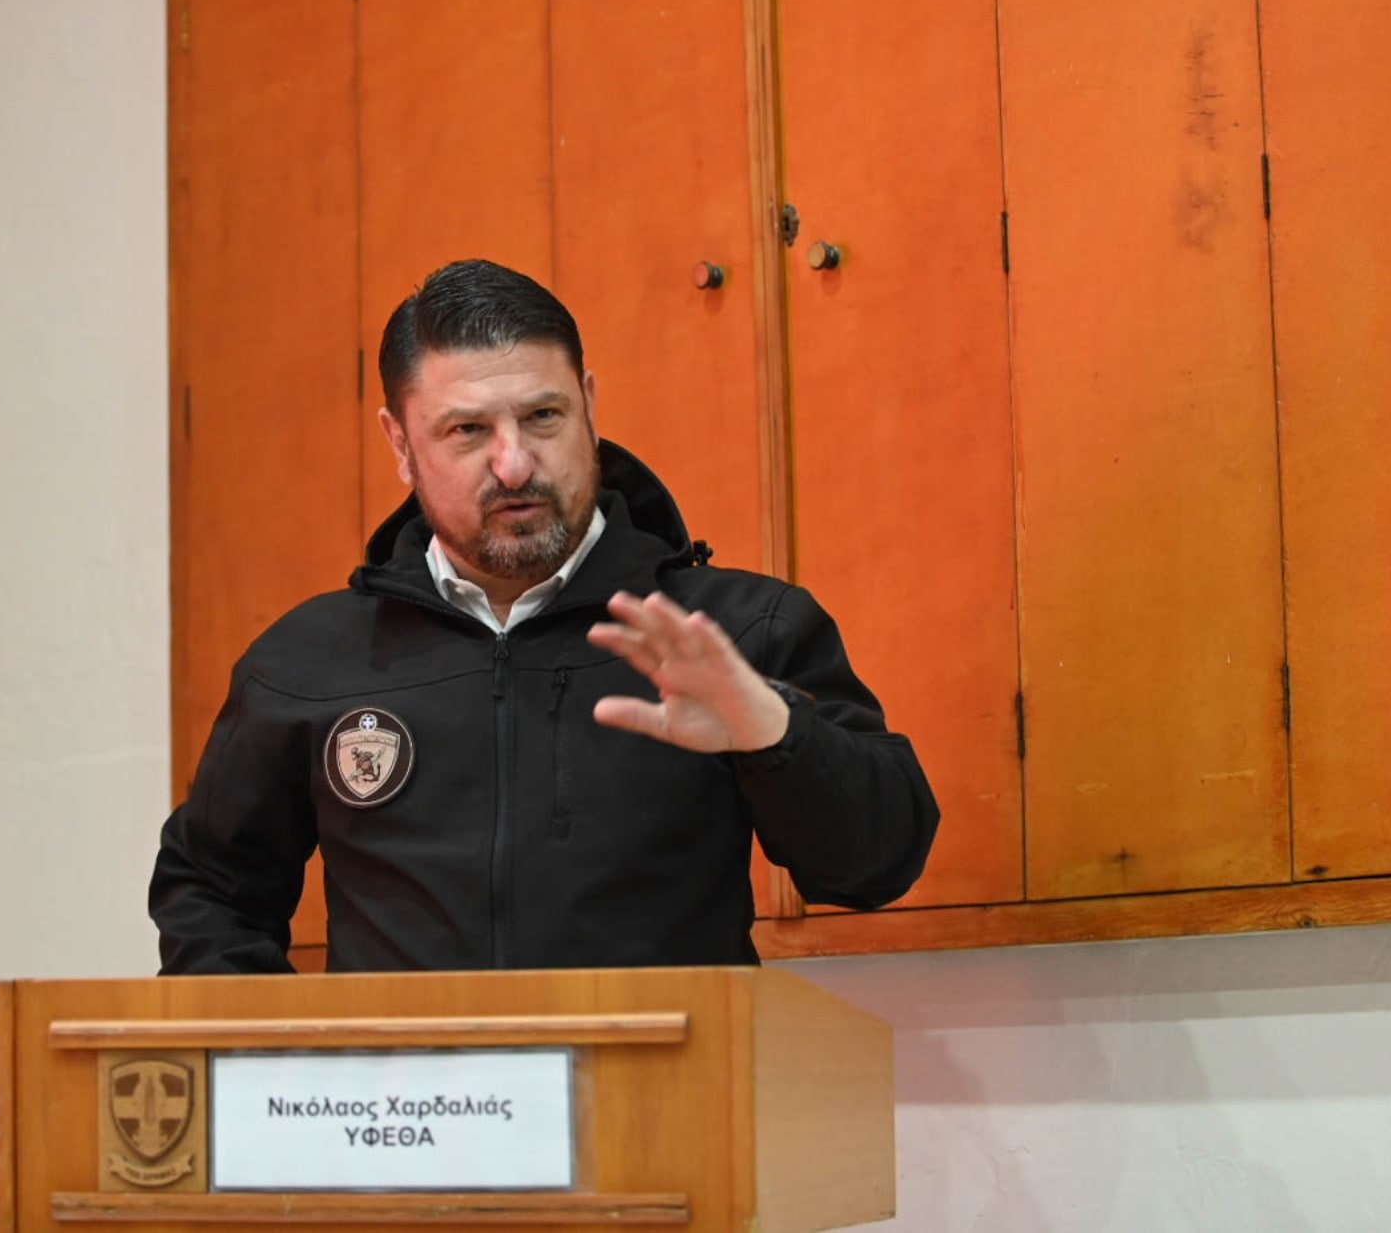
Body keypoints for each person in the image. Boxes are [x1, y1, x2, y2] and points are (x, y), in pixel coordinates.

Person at [150, 259, 938, 973]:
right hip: (408, 1091)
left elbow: (877, 866)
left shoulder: (732, 630)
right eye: (467, 430)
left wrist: (774, 732)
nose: (515, 463)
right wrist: (282, 1060)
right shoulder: (307, 662)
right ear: (400, 443)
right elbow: (211, 888)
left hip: (670, 1084)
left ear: (588, 405)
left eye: (542, 417)